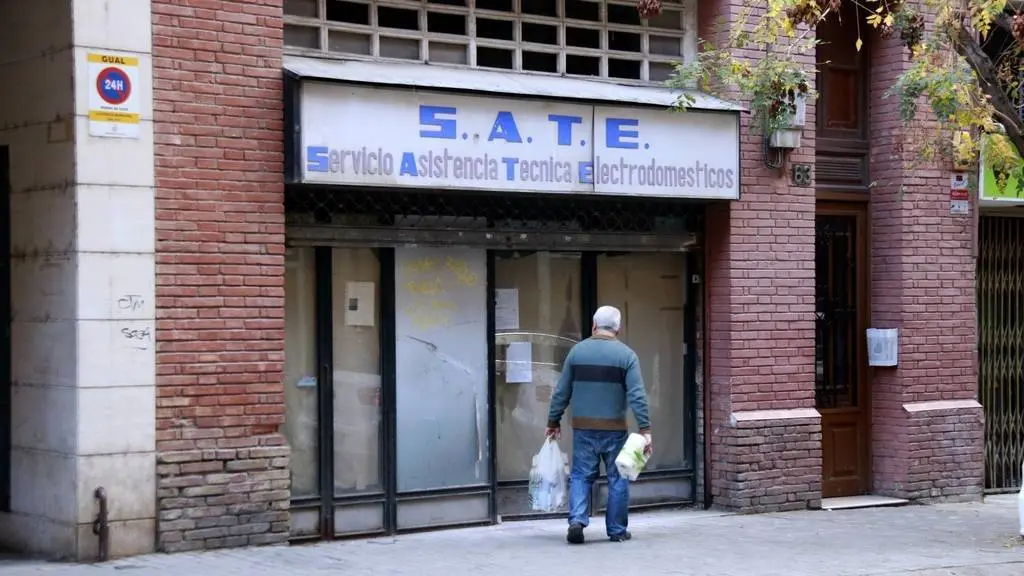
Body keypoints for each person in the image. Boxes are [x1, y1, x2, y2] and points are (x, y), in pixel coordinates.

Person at [545, 305, 652, 545]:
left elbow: (561, 392)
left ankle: (577, 521)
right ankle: (616, 531)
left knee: (581, 475)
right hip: (615, 430)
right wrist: (645, 430)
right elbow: (637, 395)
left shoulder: (576, 353)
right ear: (618, 328)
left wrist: (553, 421)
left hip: (583, 428)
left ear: (594, 326)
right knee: (618, 477)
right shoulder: (627, 356)